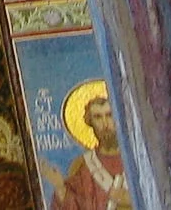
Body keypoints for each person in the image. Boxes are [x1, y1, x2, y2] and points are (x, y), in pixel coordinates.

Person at [54, 82, 133, 210]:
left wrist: (132, 199)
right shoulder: (82, 167)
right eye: (97, 117)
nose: (105, 124)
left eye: (109, 115)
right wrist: (60, 189)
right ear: (90, 122)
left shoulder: (138, 158)